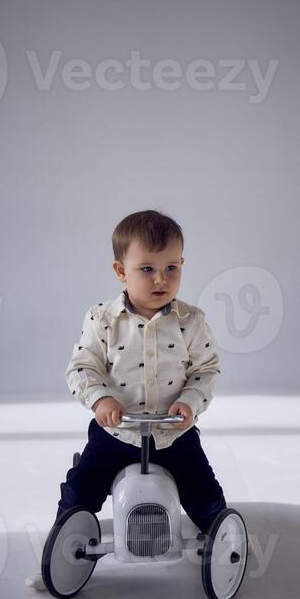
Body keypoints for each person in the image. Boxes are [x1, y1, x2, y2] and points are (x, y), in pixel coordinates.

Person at [56, 208, 228, 535]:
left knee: (203, 490)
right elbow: (81, 366)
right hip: (117, 431)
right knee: (80, 489)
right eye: (147, 269)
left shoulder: (190, 321)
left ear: (182, 265)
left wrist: (190, 402)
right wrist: (100, 400)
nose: (161, 279)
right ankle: (64, 544)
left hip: (173, 433)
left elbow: (206, 370)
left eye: (171, 268)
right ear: (121, 271)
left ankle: (222, 538)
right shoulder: (102, 319)